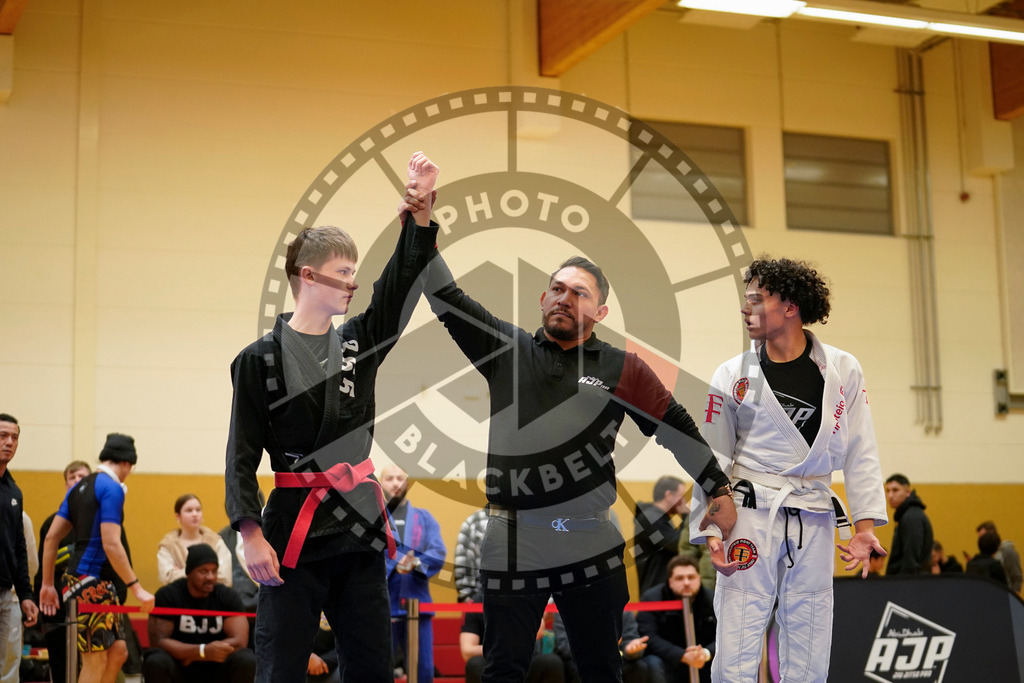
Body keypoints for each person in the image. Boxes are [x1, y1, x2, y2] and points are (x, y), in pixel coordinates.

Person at [402, 182, 737, 683]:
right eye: (557, 288)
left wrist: (719, 485)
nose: (564, 297)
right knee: (504, 669)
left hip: (589, 541)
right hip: (512, 538)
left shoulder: (624, 367)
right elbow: (445, 297)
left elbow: (677, 428)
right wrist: (423, 224)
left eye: (579, 292)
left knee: (601, 669)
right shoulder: (508, 351)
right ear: (542, 297)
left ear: (599, 312)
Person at [225, 152, 440, 683]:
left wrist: (420, 216)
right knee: (280, 664)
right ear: (308, 276)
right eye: (344, 273)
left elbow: (398, 289)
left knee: (370, 663)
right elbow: (241, 453)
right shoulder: (258, 359)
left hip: (357, 524)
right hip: (291, 528)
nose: (352, 283)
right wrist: (249, 532)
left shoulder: (359, 342)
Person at [691, 257, 888, 683]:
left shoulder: (841, 369)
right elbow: (712, 456)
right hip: (749, 511)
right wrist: (709, 530)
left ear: (791, 307)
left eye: (756, 300)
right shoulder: (732, 373)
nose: (746, 310)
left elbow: (859, 449)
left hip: (813, 510)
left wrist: (865, 525)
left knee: (812, 626)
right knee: (739, 626)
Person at [39, 432, 156, 683]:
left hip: (85, 581)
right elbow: (112, 543)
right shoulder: (111, 487)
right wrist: (137, 588)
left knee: (118, 653)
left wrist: (48, 584)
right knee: (96, 660)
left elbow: (51, 539)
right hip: (90, 583)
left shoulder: (80, 488)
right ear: (126, 463)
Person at [142, 544, 256, 683]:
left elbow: (239, 641)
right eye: (203, 571)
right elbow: (158, 642)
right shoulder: (168, 595)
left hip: (216, 668)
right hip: (180, 667)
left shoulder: (227, 596)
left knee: (246, 659)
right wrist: (201, 651)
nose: (210, 577)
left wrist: (200, 655)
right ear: (189, 573)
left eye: (214, 571)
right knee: (155, 660)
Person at [381, 464, 447, 683]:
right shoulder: (373, 519)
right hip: (382, 604)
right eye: (389, 478)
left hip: (417, 604)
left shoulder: (424, 518)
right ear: (380, 483)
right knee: (378, 667)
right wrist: (395, 564)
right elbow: (364, 557)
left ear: (407, 483)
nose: (396, 483)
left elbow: (438, 552)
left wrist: (416, 562)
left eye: (400, 478)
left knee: (424, 669)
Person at [33, 460, 92, 682]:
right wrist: (39, 605)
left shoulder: (103, 519)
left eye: (83, 477)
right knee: (60, 666)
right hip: (57, 608)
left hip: (94, 607)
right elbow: (40, 568)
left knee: (95, 664)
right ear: (66, 483)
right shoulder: (52, 523)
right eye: (72, 477)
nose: (77, 481)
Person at [0, 414, 39, 682]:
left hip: (8, 595)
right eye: (3, 436)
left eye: (14, 437)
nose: (9, 442)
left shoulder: (14, 492)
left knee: (10, 666)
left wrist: (26, 594)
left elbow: (19, 549)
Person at [637, 555, 715, 683]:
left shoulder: (713, 598)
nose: (686, 582)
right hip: (667, 660)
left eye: (691, 577)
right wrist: (682, 655)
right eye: (680, 578)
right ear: (670, 581)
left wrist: (706, 653)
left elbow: (725, 635)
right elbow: (649, 636)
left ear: (699, 579)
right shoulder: (651, 598)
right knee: (651, 663)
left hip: (704, 658)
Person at [461, 612, 565, 683]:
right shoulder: (477, 602)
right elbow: (467, 651)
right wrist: (500, 649)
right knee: (474, 664)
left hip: (525, 663)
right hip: (492, 662)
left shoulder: (526, 596)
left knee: (552, 662)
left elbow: (539, 631)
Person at [553, 610, 651, 683]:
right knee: (583, 669)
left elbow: (630, 639)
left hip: (616, 657)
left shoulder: (621, 607)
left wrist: (629, 650)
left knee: (638, 666)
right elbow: (564, 645)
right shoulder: (565, 607)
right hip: (581, 659)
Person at [157, 494, 233, 586]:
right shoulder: (168, 545)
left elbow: (225, 578)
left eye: (198, 510)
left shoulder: (216, 542)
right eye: (189, 511)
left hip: (212, 598)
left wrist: (182, 572)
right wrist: (209, 574)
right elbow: (167, 578)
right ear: (178, 516)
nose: (195, 514)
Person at [634, 476, 689, 595]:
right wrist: (685, 515)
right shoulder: (651, 518)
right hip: (655, 590)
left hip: (659, 587)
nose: (684, 501)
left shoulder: (658, 517)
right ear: (669, 495)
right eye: (681, 496)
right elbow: (677, 544)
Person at [884, 474, 933, 575]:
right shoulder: (907, 515)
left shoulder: (911, 517)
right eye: (887, 491)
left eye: (895, 490)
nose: (890, 496)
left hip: (909, 584)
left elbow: (911, 562)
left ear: (907, 492)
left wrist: (904, 586)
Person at [454, 508, 488, 602]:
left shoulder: (527, 522)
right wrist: (469, 598)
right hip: (480, 602)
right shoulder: (474, 523)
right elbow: (463, 565)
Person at [976, 521, 1022, 591]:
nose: (981, 541)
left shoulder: (1008, 552)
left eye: (982, 537)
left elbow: (1017, 578)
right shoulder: (986, 554)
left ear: (991, 533)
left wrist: (1011, 598)